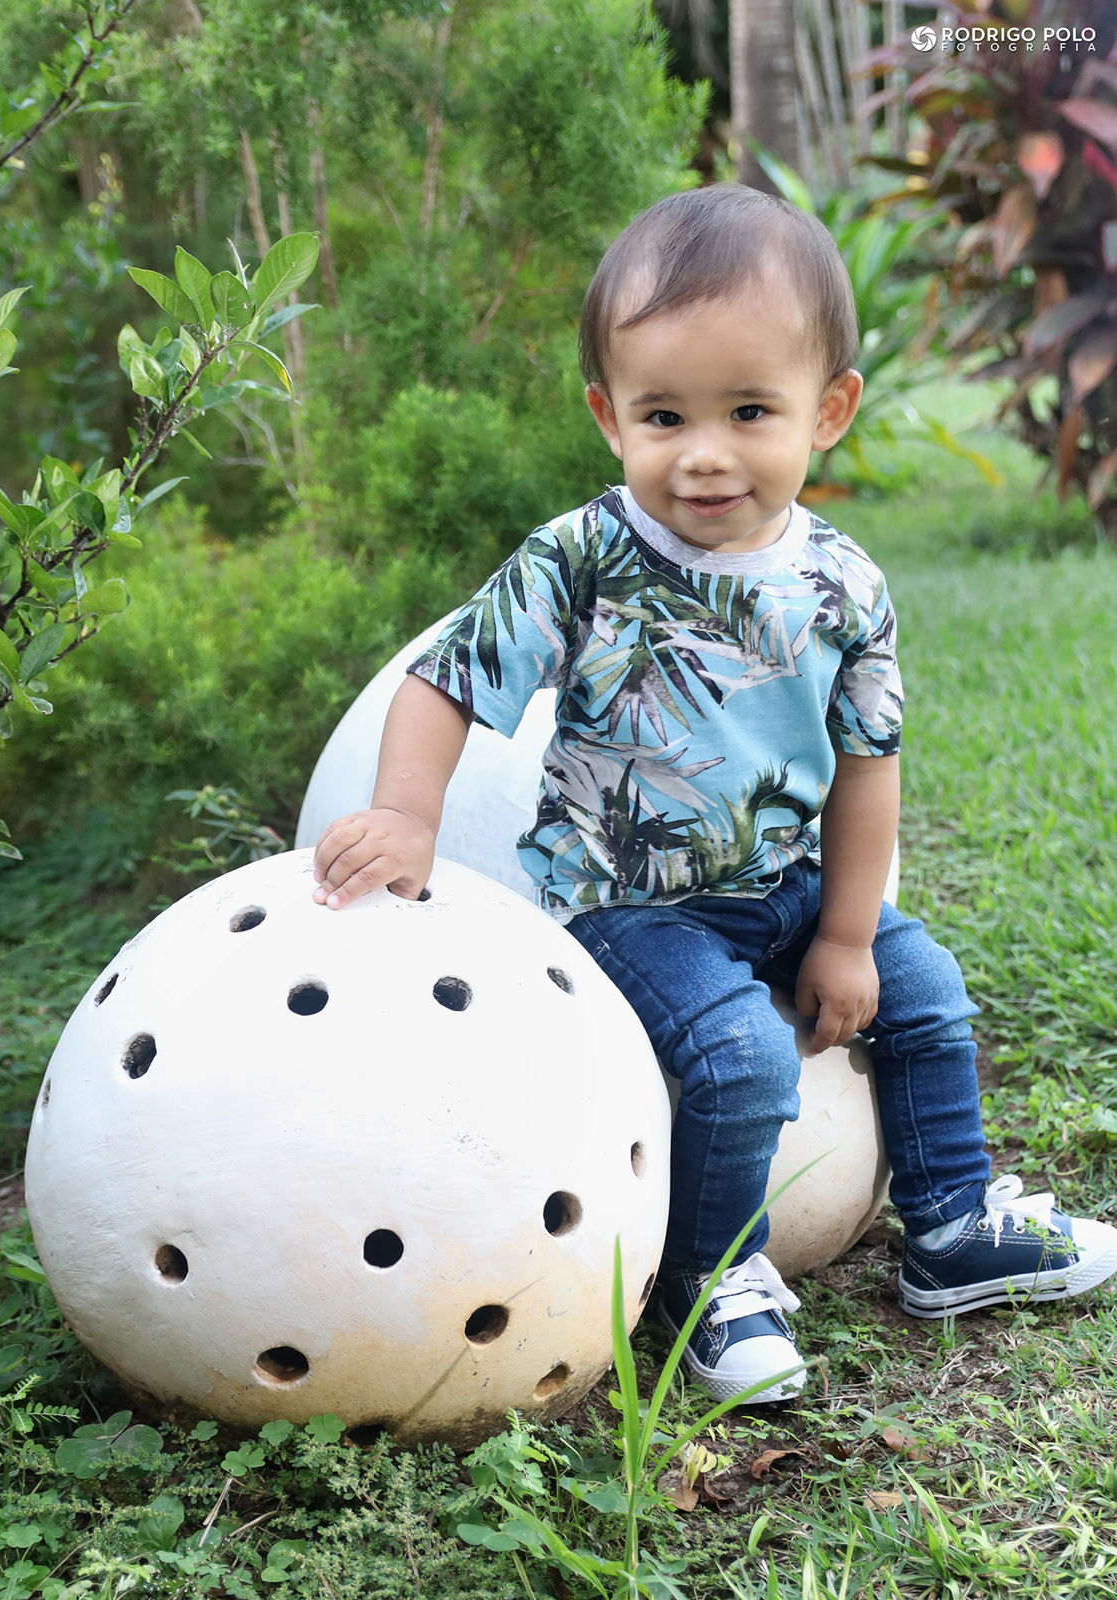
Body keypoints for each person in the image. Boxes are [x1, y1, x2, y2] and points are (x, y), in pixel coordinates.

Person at [311, 185, 1117, 1404]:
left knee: (928, 991)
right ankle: (708, 1277)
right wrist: (411, 817)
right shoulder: (583, 559)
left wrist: (845, 932)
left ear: (828, 410)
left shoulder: (844, 586)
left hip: (783, 886)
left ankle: (949, 1224)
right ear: (607, 414)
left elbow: (866, 765)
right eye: (663, 413)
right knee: (741, 1054)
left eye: (750, 411)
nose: (704, 451)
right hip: (626, 905)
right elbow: (448, 677)